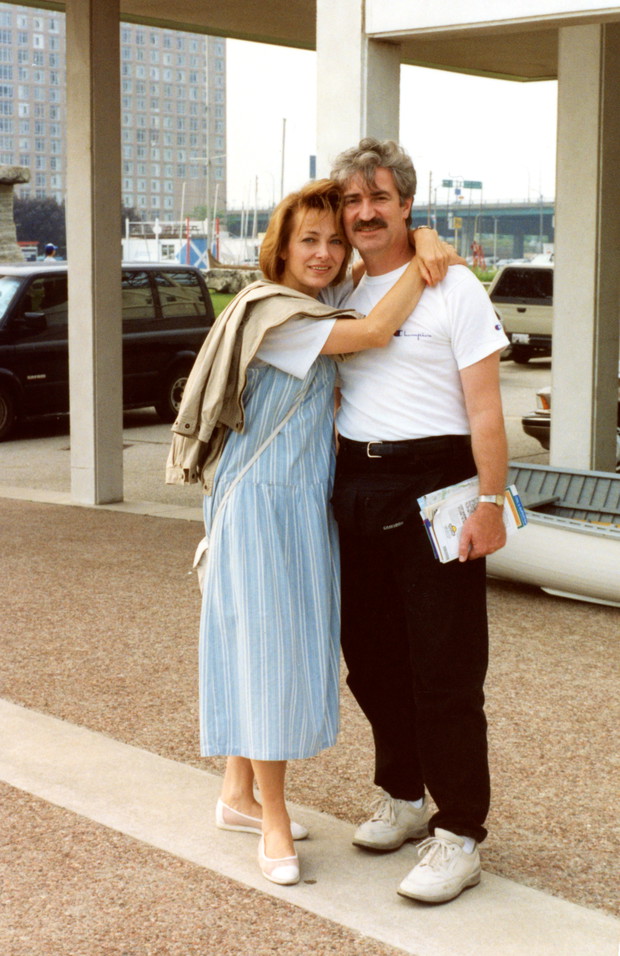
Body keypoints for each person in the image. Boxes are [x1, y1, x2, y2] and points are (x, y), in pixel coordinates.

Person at [167, 179, 454, 887]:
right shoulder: (279, 316)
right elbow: (377, 330)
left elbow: (368, 270)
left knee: (264, 643)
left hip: (300, 504)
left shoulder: (318, 301)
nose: (326, 252)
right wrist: (424, 258)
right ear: (281, 247)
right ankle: (271, 818)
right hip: (260, 504)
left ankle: (236, 794)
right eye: (309, 239)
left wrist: (418, 236)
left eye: (334, 238)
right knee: (267, 657)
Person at [329, 139, 510, 904]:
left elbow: (485, 409)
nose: (366, 212)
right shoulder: (335, 286)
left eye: (380, 197)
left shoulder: (452, 286)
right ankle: (402, 796)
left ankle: (460, 831)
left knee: (445, 666)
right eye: (352, 200)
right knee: (370, 659)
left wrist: (493, 503)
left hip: (438, 484)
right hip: (356, 486)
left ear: (407, 204)